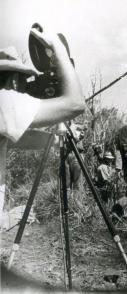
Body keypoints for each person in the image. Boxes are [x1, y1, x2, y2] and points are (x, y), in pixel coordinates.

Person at [0, 26, 85, 227]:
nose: (25, 87)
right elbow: (75, 104)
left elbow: (21, 138)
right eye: (23, 81)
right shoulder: (4, 101)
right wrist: (58, 47)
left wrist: (56, 139)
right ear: (13, 81)